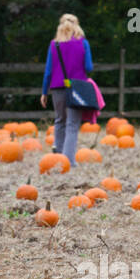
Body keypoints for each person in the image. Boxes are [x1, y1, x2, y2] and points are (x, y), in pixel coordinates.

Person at [40, 13, 93, 165]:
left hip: (57, 88)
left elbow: (48, 71)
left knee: (60, 121)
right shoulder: (83, 43)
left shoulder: (54, 44)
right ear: (77, 25)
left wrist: (44, 92)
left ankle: (58, 160)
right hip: (76, 87)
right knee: (72, 124)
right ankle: (68, 160)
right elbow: (89, 67)